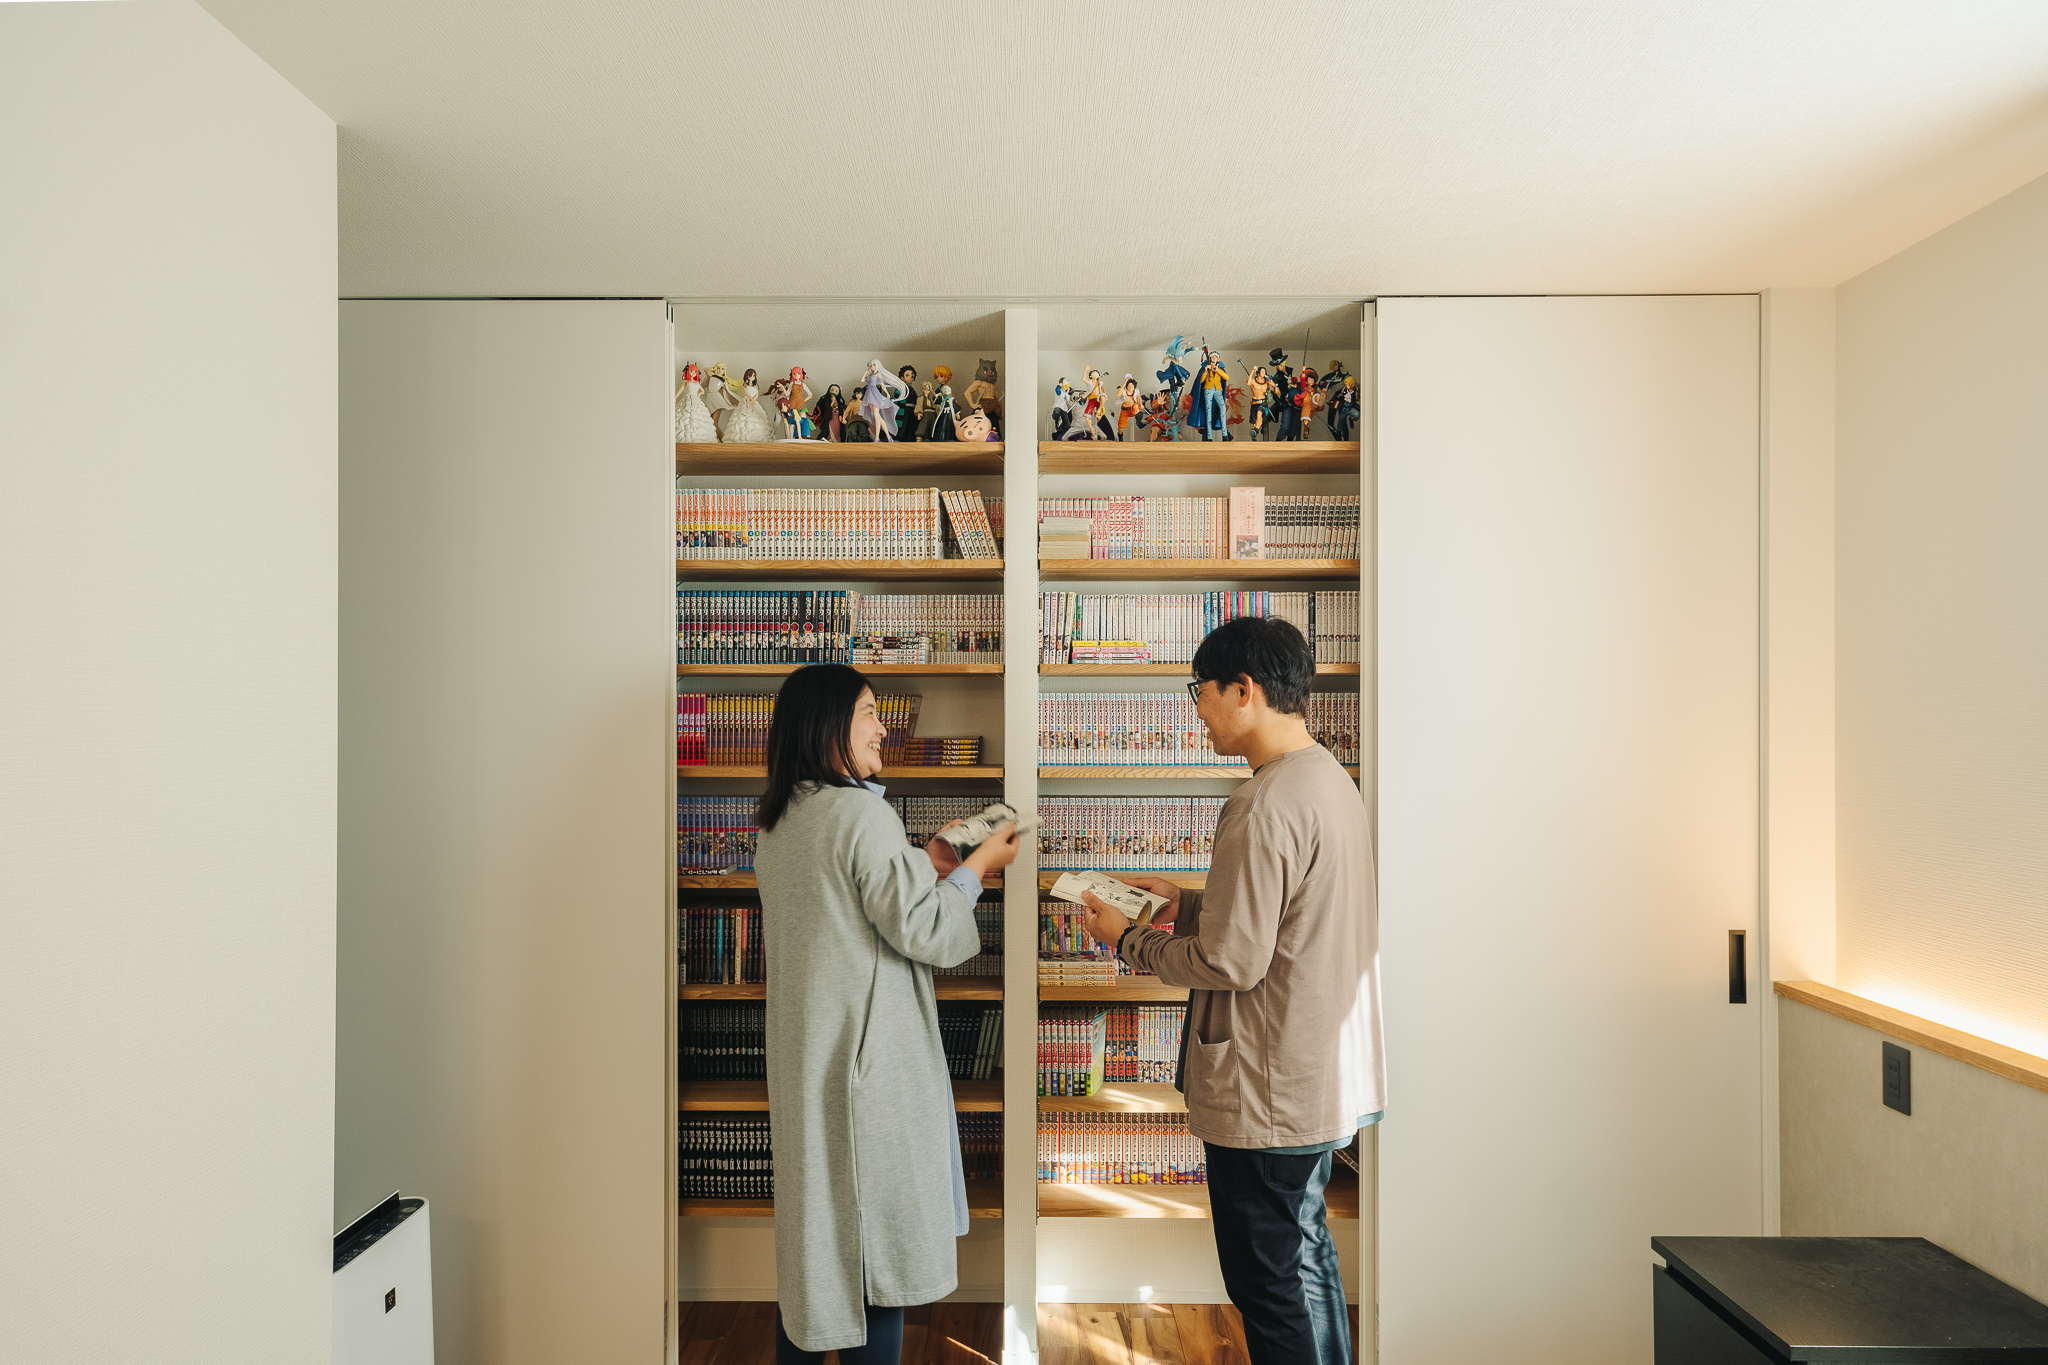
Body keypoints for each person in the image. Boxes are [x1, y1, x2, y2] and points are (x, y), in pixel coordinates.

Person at [1079, 617, 1383, 1365]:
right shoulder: (1327, 781)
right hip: (1313, 1076)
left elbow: (1232, 963)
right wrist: (1186, 898)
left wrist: (1127, 938)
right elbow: (1283, 918)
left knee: (1269, 1285)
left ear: (1243, 691)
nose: (1198, 709)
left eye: (1201, 691)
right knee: (1306, 1264)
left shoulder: (1263, 803)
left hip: (1267, 1089)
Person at [754, 665, 1022, 1363]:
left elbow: (854, 900)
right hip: (867, 1074)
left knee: (818, 1258)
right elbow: (926, 930)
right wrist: (976, 870)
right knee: (880, 1265)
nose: (884, 728)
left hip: (815, 1056)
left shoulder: (783, 819)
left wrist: (926, 857)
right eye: (871, 712)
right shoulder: (860, 812)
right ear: (828, 726)